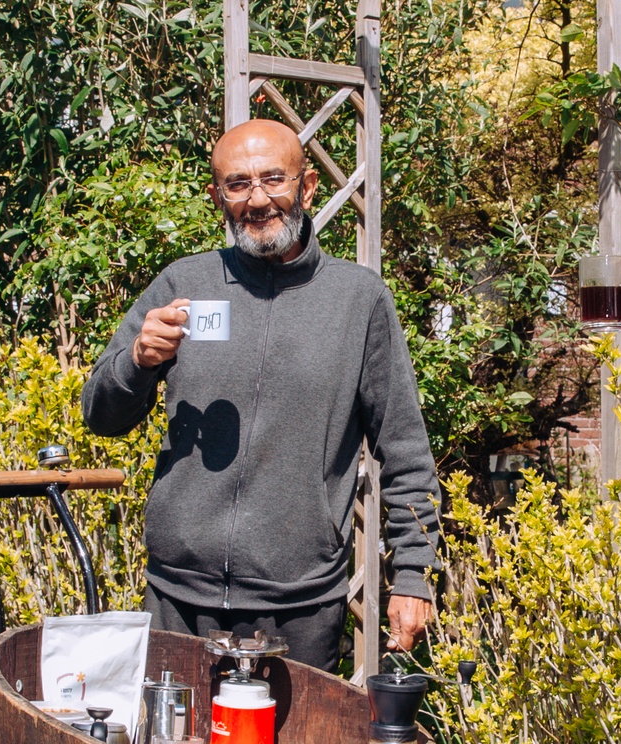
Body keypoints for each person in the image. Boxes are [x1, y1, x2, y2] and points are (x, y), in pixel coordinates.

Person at [81, 120, 439, 672]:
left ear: (307, 187)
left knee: (297, 738)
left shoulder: (358, 300)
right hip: (177, 598)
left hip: (300, 608)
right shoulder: (183, 285)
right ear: (217, 197)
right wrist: (137, 361)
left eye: (274, 179)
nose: (257, 199)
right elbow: (100, 415)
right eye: (237, 184)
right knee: (175, 735)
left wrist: (413, 574)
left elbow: (405, 449)